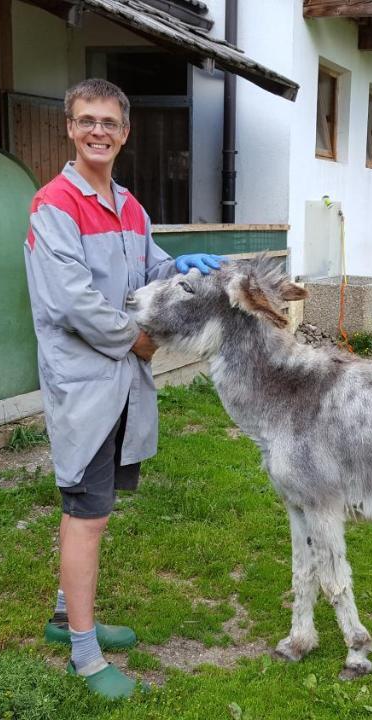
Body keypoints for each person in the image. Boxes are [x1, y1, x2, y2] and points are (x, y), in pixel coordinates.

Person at [22, 78, 223, 700]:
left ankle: (67, 617)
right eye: (87, 121)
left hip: (121, 386)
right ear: (70, 128)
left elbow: (150, 268)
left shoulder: (130, 206)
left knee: (97, 511)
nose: (98, 132)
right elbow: (73, 300)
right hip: (86, 384)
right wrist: (138, 341)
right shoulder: (53, 205)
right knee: (86, 513)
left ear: (125, 131)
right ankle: (83, 655)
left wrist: (179, 267)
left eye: (109, 122)